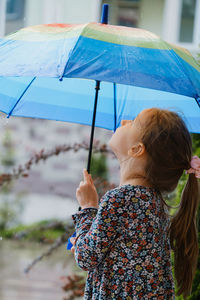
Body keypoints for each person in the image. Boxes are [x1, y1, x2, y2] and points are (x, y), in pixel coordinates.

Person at [70, 108, 200, 300]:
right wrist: (86, 238)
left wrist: (88, 207)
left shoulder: (118, 199)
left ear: (137, 149)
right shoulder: (155, 202)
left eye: (133, 122)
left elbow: (86, 257)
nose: (124, 121)